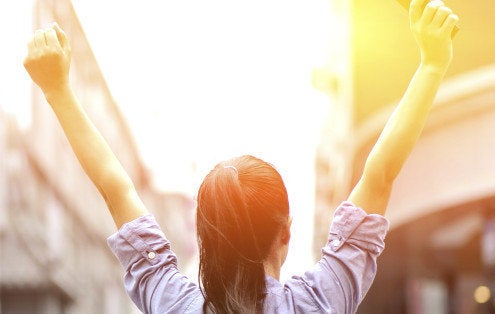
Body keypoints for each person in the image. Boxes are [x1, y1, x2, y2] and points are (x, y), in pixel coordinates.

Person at [23, 0, 458, 312]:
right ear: (286, 233)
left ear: (203, 238)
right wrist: (431, 64)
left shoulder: (172, 303)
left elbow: (115, 187)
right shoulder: (322, 299)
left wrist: (58, 90)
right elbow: (379, 175)